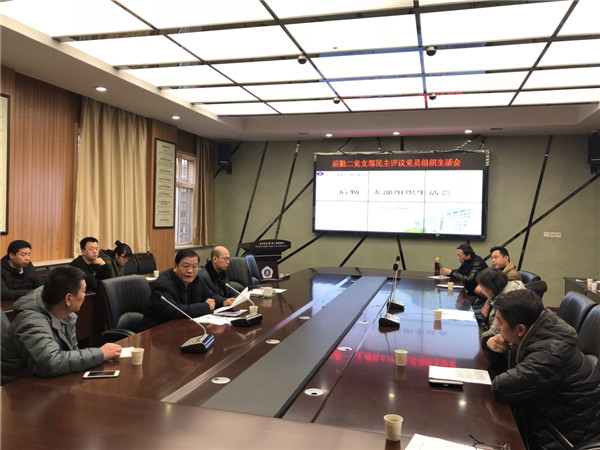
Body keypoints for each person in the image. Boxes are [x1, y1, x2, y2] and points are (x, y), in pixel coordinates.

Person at [491, 289, 600, 449]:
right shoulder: (541, 328)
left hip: (561, 438)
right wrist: (491, 344)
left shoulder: (551, 354)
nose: (497, 327)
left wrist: (505, 347)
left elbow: (501, 387)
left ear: (520, 329)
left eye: (500, 322)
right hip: (545, 420)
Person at [1, 266, 122, 385]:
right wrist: (100, 354)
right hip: (16, 387)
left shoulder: (65, 314)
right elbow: (51, 362)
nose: (85, 296)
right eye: (84, 291)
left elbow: (71, 352)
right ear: (68, 298)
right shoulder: (31, 321)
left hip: (44, 381)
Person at [143, 249, 234, 329]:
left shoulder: (198, 280)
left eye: (194, 266)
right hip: (158, 331)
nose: (190, 271)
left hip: (183, 327)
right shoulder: (163, 284)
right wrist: (206, 306)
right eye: (186, 266)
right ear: (175, 266)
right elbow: (175, 311)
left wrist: (224, 301)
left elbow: (209, 295)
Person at [476, 268, 525, 373]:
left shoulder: (506, 303)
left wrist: (472, 339)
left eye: (482, 286)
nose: (480, 289)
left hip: (508, 352)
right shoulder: (498, 293)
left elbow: (495, 331)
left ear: (490, 287)